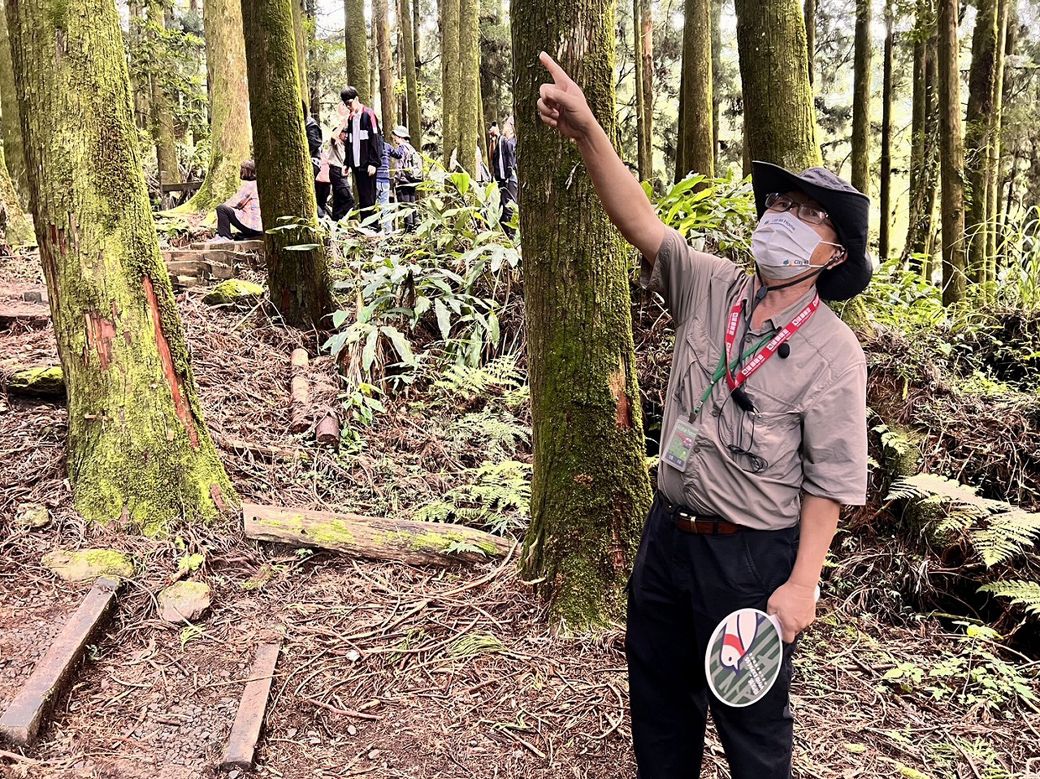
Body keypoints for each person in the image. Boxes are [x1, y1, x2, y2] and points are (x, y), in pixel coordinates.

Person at [535, 52, 870, 779]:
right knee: (658, 705)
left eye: (807, 215)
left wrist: (803, 581)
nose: (784, 217)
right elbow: (640, 220)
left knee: (752, 729)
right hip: (668, 536)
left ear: (832, 253)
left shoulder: (834, 352)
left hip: (750, 560)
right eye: (781, 204)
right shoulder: (712, 284)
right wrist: (588, 129)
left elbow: (832, 479)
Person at [339, 86, 382, 218]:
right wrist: (347, 163)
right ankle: (365, 226)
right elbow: (349, 142)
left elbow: (376, 139)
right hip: (356, 165)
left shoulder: (368, 114)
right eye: (345, 104)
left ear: (357, 99)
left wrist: (373, 162)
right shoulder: (351, 119)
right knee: (362, 197)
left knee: (369, 197)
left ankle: (373, 226)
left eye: (350, 103)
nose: (348, 106)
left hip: (368, 164)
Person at [215, 160, 263, 240]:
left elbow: (236, 203)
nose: (240, 172)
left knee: (221, 209)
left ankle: (224, 237)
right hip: (260, 227)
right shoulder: (257, 184)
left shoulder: (250, 185)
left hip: (252, 226)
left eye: (242, 169)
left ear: (248, 171)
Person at [391, 125, 421, 233]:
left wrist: (396, 179)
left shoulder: (401, 148)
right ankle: (414, 226)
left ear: (400, 137)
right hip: (412, 180)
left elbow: (399, 165)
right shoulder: (411, 148)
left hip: (403, 181)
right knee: (411, 203)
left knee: (405, 205)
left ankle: (408, 228)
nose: (394, 138)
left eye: (396, 136)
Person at [489, 118, 517, 234]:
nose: (503, 127)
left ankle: (511, 235)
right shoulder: (503, 142)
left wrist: (499, 136)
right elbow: (493, 156)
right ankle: (504, 233)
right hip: (502, 180)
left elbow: (509, 151)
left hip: (511, 179)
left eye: (505, 124)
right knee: (502, 206)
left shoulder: (512, 142)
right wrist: (493, 140)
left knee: (509, 206)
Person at [304, 100, 330, 217]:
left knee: (310, 194)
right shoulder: (307, 123)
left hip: (312, 162)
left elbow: (315, 142)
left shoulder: (311, 124)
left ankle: (320, 216)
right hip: (311, 163)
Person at [376, 135, 404, 233]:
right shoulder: (387, 146)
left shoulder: (373, 146)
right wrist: (401, 144)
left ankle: (376, 228)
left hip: (374, 180)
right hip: (385, 180)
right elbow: (399, 154)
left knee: (373, 206)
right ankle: (388, 230)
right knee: (385, 206)